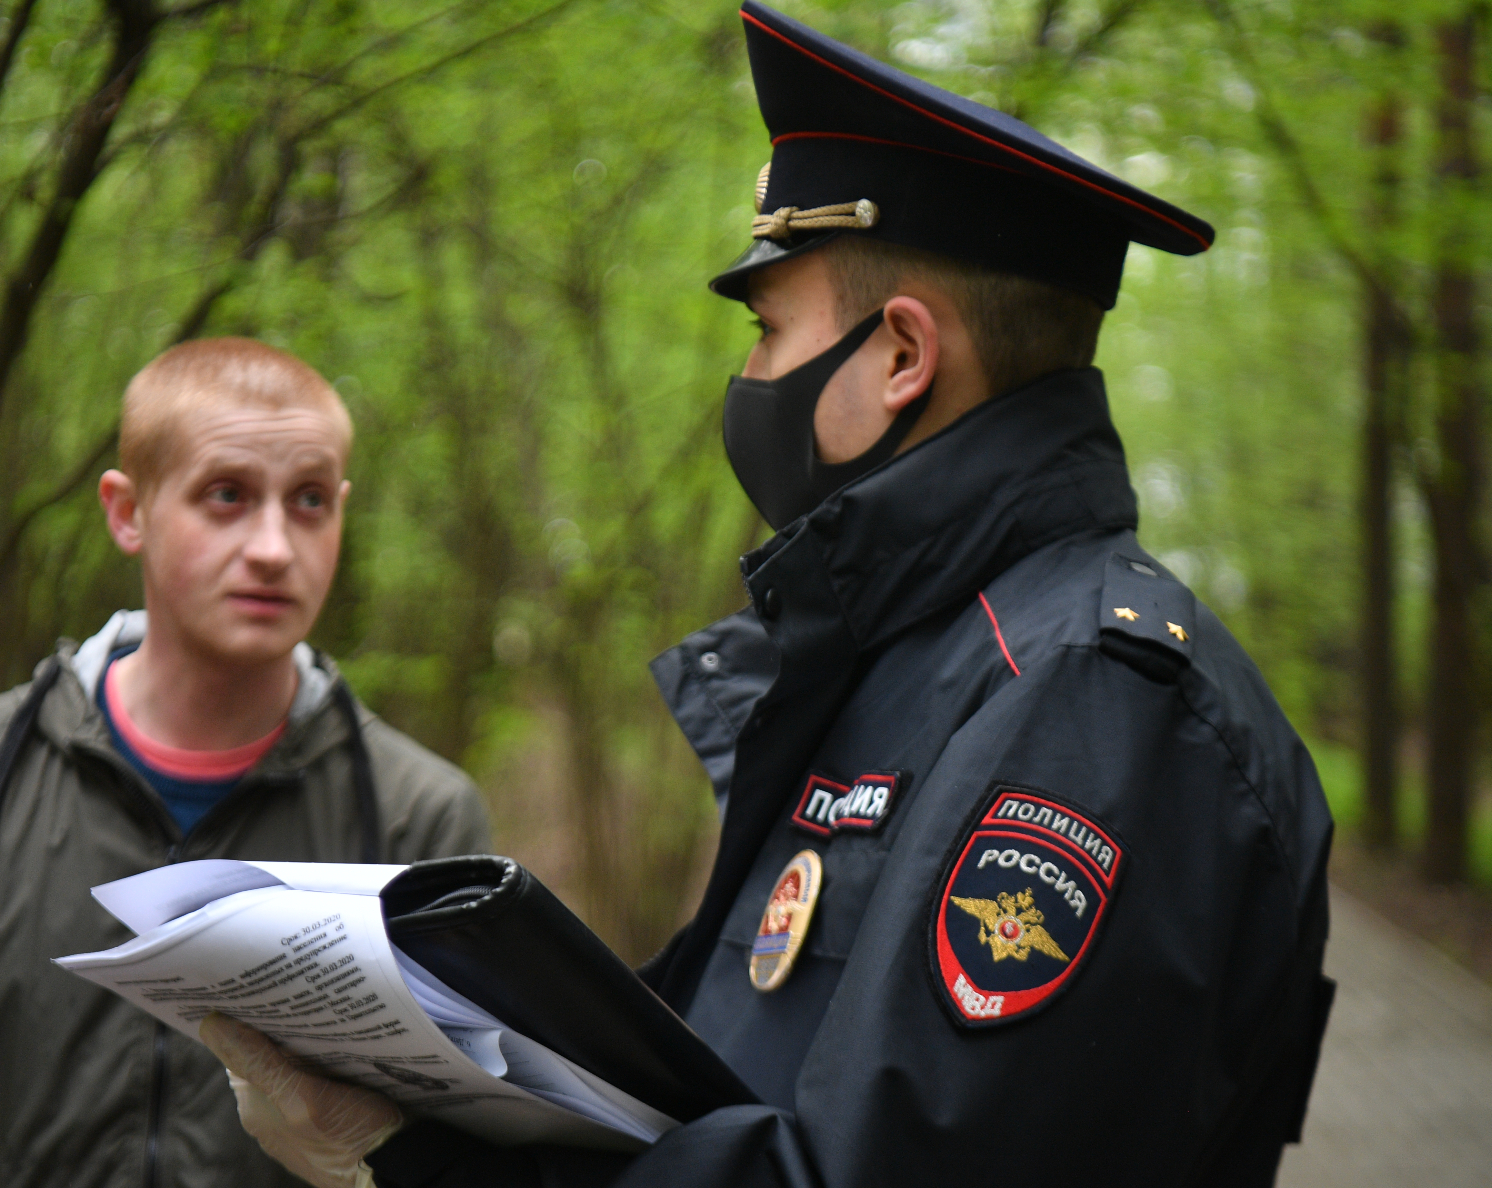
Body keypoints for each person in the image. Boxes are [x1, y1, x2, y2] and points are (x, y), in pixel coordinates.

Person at [194, 5, 1336, 1186]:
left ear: (902, 355)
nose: (749, 378)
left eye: (768, 328)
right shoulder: (918, 654)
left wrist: (427, 1160)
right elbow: (745, 1065)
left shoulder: (1096, 704)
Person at [0, 338, 491, 1187]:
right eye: (226, 495)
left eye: (308, 502)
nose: (272, 545)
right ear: (127, 511)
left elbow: (470, 1159)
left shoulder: (421, 816)